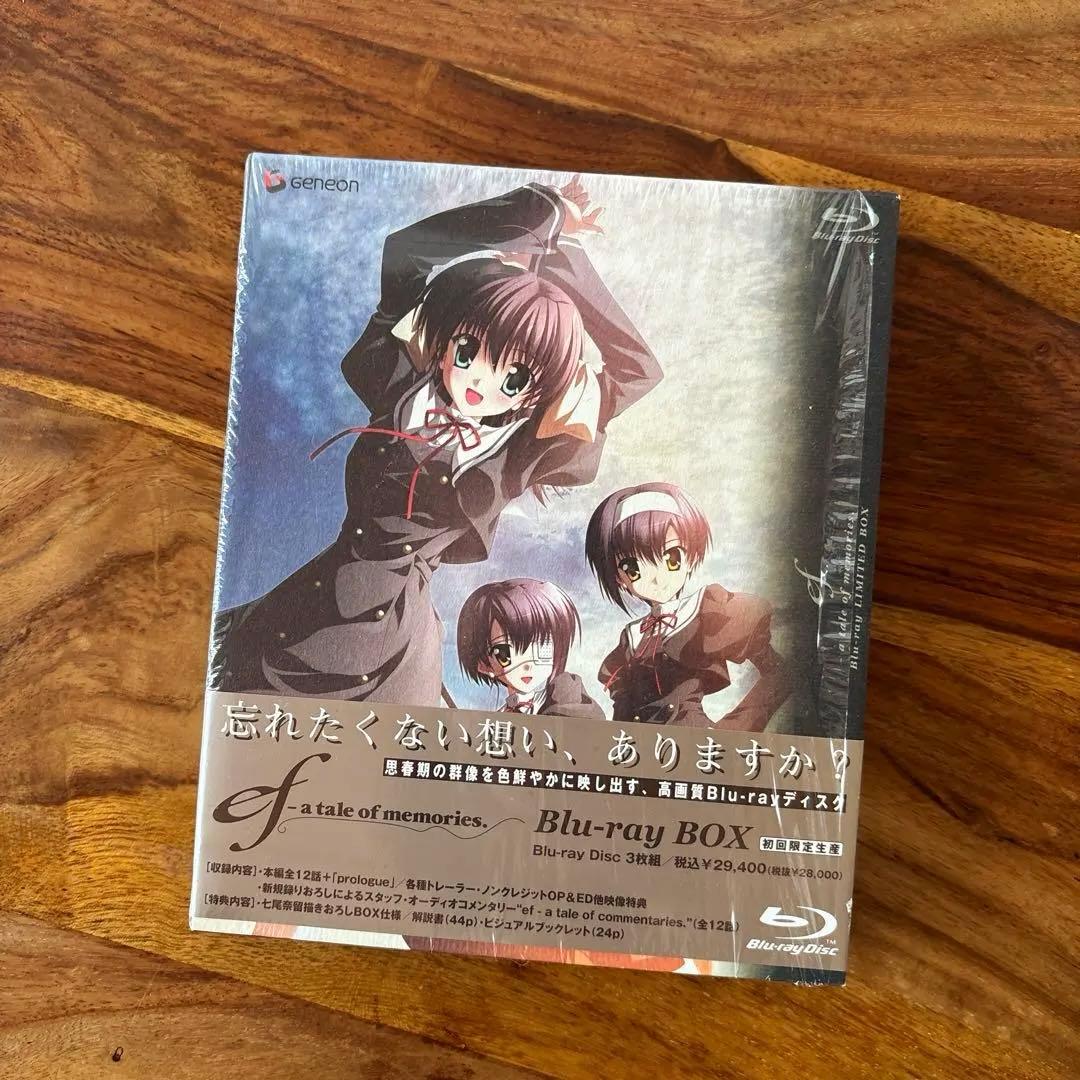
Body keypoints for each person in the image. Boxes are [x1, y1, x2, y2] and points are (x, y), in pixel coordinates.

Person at [211, 177, 662, 703]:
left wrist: (559, 258)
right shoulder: (395, 382)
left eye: (514, 379)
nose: (480, 381)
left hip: (400, 644)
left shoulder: (519, 453)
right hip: (313, 606)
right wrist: (538, 218)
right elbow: (406, 252)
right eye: (467, 351)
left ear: (535, 394)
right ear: (445, 340)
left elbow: (638, 370)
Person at [585, 482, 790, 729]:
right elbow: (623, 710)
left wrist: (732, 731)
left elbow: (780, 675)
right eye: (633, 568)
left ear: (690, 555)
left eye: (671, 558)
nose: (656, 578)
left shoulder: (705, 611)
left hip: (693, 742)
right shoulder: (631, 636)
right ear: (619, 578)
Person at [457, 578, 604, 719]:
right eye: (504, 652)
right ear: (484, 665)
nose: (527, 665)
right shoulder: (500, 717)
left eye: (543, 646)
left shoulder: (570, 702)